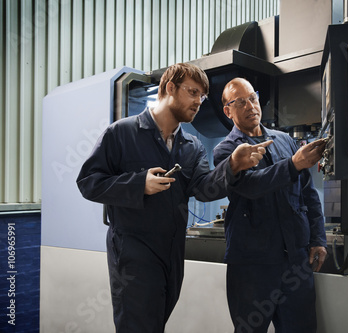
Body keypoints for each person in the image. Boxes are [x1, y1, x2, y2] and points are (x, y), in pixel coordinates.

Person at [76, 64, 271, 333]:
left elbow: (204, 189)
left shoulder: (191, 147)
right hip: (133, 252)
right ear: (170, 88)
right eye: (192, 93)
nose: (198, 102)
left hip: (171, 253)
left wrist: (233, 165)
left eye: (202, 97)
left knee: (155, 324)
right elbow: (88, 183)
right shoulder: (121, 133)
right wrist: (138, 184)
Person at [213, 77, 328, 333]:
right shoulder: (226, 151)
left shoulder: (285, 141)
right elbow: (251, 186)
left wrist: (318, 238)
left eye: (253, 98)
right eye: (240, 102)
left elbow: (308, 194)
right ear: (228, 111)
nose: (250, 106)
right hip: (252, 265)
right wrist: (293, 164)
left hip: (296, 261)